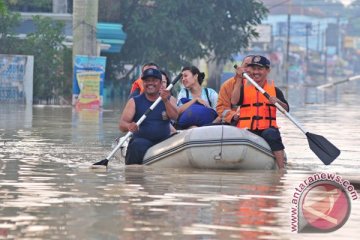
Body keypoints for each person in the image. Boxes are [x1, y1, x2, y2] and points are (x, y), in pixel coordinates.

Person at [231, 55, 289, 169]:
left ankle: (281, 169)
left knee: (271, 134)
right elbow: (234, 101)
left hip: (267, 128)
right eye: (253, 69)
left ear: (267, 70)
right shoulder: (243, 88)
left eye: (260, 69)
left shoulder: (274, 90)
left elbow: (286, 109)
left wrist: (278, 102)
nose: (256, 72)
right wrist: (238, 79)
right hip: (247, 129)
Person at [119, 68, 178, 165]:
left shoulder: (170, 99)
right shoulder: (134, 101)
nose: (150, 83)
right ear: (143, 83)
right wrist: (129, 126)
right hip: (141, 141)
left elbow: (175, 117)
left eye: (154, 80)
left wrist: (165, 101)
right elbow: (121, 125)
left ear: (160, 83)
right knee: (136, 145)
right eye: (147, 81)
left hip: (163, 140)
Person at [216, 55, 253, 125]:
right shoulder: (227, 85)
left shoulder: (260, 86)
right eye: (246, 66)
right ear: (241, 67)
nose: (248, 69)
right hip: (233, 123)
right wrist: (233, 115)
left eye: (252, 67)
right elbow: (221, 108)